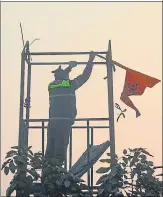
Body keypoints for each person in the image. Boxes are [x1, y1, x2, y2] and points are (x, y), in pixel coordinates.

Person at [45, 51, 96, 165]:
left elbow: (63, 78)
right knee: (60, 151)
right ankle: (56, 176)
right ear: (65, 77)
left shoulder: (51, 86)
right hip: (64, 122)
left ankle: (47, 175)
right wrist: (90, 61)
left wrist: (69, 68)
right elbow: (85, 76)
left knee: (50, 150)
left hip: (53, 122)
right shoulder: (69, 85)